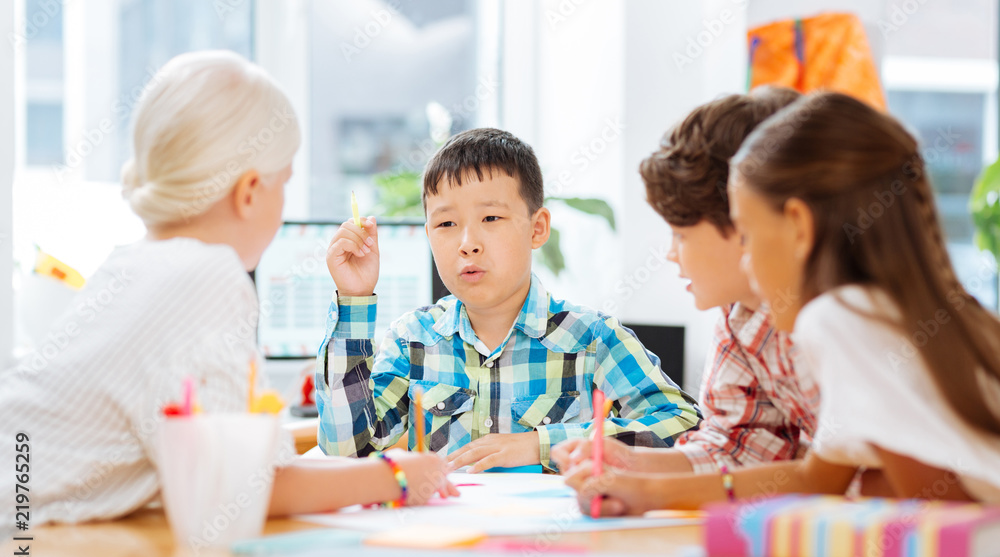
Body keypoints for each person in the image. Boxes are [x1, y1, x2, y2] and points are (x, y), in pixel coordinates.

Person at [0, 51, 454, 530]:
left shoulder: (133, 265)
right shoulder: (204, 275)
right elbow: (243, 488)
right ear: (250, 192)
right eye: (285, 184)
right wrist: (396, 477)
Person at [565, 92, 1000, 513]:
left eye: (749, 236)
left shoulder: (840, 319)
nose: (749, 261)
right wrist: (646, 489)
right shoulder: (896, 309)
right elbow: (817, 479)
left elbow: (931, 512)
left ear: (798, 226)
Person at [317, 128, 700, 472]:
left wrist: (540, 445)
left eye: (491, 219)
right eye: (446, 224)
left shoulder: (592, 339)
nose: (468, 243)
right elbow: (347, 453)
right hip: (448, 541)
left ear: (537, 229)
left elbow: (683, 426)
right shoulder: (413, 341)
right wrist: (354, 299)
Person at [554, 87, 817, 479]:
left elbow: (832, 476)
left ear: (746, 220)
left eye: (681, 233)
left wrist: (649, 490)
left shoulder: (831, 320)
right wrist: (631, 464)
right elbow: (737, 449)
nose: (671, 254)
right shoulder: (739, 317)